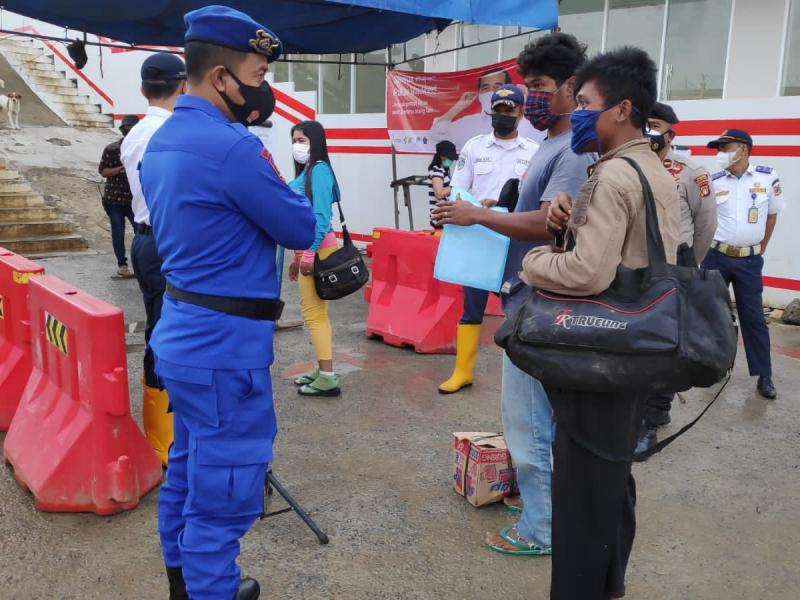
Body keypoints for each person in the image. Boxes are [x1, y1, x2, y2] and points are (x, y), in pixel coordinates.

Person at [139, 6, 316, 599]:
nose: (262, 87)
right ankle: (211, 589)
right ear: (221, 77)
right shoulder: (232, 147)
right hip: (224, 347)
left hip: (185, 332)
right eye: (259, 73)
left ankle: (182, 583)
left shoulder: (165, 139)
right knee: (228, 486)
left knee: (188, 469)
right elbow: (299, 226)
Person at [528, 47, 679, 599]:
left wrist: (535, 260)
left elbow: (588, 273)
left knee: (582, 494)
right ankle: (609, 586)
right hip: (641, 346)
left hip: (601, 354)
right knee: (612, 484)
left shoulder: (614, 174)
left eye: (585, 103)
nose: (579, 113)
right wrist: (569, 221)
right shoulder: (652, 167)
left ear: (620, 109)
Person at [434, 32, 593, 557]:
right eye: (528, 87)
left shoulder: (569, 150)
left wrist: (479, 215)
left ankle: (540, 530)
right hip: (526, 292)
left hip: (539, 300)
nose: (532, 97)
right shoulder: (551, 142)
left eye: (542, 86)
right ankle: (542, 504)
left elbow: (548, 226)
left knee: (526, 421)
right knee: (537, 416)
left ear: (572, 86)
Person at [437, 84, 538, 395]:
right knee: (471, 309)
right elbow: (457, 190)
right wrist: (475, 204)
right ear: (490, 111)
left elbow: (537, 201)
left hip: (517, 239)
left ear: (521, 113)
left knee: (518, 309)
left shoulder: (534, 152)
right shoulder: (474, 147)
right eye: (498, 109)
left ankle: (522, 378)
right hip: (479, 239)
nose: (503, 115)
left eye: (510, 110)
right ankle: (463, 372)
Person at [636, 101, 718, 455]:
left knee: (664, 348)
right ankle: (632, 410)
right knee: (632, 343)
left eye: (655, 125)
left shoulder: (690, 173)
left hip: (672, 271)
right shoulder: (629, 164)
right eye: (645, 124)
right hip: (633, 269)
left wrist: (688, 268)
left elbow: (706, 225)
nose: (649, 131)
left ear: (671, 132)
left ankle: (653, 420)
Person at [121, 51, 187, 465]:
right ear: (182, 86)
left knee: (157, 329)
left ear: (144, 89)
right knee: (169, 335)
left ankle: (160, 434)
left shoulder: (134, 133)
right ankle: (164, 441)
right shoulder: (174, 133)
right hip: (167, 242)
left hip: (144, 239)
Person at [702, 129, 783, 400]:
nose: (720, 154)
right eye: (719, 149)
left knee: (754, 319)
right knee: (713, 315)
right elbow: (704, 219)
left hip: (749, 260)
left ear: (744, 150)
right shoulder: (714, 181)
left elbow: (771, 216)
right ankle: (711, 366)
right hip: (716, 257)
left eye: (726, 148)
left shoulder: (766, 177)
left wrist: (760, 249)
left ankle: (764, 375)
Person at [288, 120, 342, 397]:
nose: (297, 146)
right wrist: (299, 256)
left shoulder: (319, 171)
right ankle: (322, 370)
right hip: (311, 249)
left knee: (314, 315)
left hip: (319, 250)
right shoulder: (309, 170)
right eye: (294, 140)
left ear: (316, 142)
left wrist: (308, 253)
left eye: (302, 140)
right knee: (316, 314)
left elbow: (321, 218)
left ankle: (328, 377)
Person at [431, 67, 540, 150]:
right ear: (479, 93)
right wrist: (458, 106)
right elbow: (436, 135)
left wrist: (529, 100)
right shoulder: (467, 124)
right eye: (485, 88)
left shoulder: (527, 124)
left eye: (497, 87)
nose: (491, 92)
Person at [98, 114, 138, 278]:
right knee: (118, 232)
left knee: (141, 232)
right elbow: (103, 171)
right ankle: (122, 265)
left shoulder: (141, 148)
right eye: (126, 129)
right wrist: (121, 169)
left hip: (134, 200)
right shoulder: (112, 149)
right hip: (113, 199)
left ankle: (141, 263)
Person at [427, 140, 458, 228]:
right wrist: (454, 186)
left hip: (444, 217)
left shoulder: (443, 171)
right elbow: (439, 194)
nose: (451, 161)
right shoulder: (437, 171)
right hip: (440, 218)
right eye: (449, 158)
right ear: (441, 156)